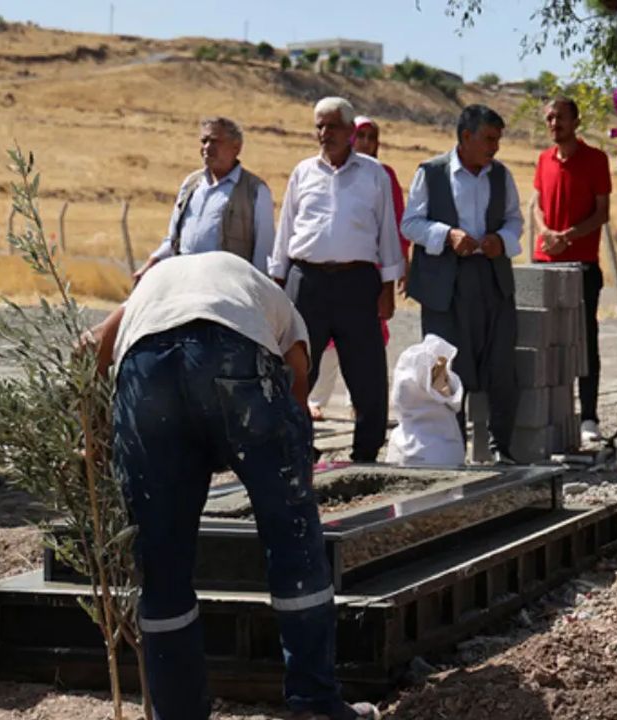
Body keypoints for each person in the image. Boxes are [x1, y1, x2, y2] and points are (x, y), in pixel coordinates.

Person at [85, 252, 379, 720]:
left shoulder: (150, 288)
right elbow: (296, 397)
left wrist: (93, 440)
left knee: (161, 560)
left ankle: (178, 713)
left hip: (145, 374)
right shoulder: (277, 304)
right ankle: (315, 704)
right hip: (231, 353)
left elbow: (91, 347)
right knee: (292, 536)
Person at [270, 97, 404, 463]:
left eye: (331, 126)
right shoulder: (303, 172)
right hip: (306, 280)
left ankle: (366, 452)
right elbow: (286, 230)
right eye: (319, 126)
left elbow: (387, 232)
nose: (324, 134)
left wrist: (388, 288)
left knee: (366, 371)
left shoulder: (373, 173)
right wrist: (278, 281)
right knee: (296, 369)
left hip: (356, 282)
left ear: (349, 131)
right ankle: (297, 447)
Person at [401, 104, 524, 464]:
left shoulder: (501, 176)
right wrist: (447, 234)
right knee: (444, 368)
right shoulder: (431, 173)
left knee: (501, 365)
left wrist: (501, 240)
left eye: (497, 140)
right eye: (488, 139)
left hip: (492, 280)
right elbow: (411, 223)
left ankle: (503, 449)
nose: (494, 148)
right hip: (444, 287)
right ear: (465, 137)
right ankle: (451, 451)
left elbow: (515, 220)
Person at [307, 115, 410, 422]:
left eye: (371, 136)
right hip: (329, 271)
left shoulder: (383, 175)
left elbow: (395, 225)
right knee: (325, 342)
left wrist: (397, 269)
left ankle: (360, 403)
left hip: (371, 270)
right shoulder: (326, 171)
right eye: (360, 135)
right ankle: (315, 399)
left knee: (366, 340)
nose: (365, 142)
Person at [530, 97, 612, 444]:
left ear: (576, 121)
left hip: (581, 264)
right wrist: (546, 231)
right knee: (544, 341)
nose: (554, 124)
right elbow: (534, 204)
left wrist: (570, 236)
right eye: (549, 118)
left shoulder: (595, 159)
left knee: (584, 341)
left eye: (560, 117)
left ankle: (589, 416)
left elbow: (602, 212)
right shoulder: (542, 159)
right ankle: (548, 412)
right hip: (545, 262)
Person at [135, 117, 275, 279]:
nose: (207, 147)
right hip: (182, 277)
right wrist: (150, 264)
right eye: (204, 141)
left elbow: (263, 252)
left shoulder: (255, 191)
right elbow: (173, 240)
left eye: (215, 141)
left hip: (226, 284)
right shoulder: (191, 184)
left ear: (236, 147)